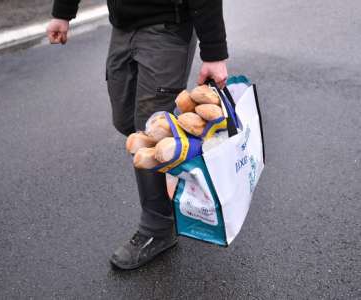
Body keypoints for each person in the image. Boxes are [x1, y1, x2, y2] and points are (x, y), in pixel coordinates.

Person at [47, 0, 228, 270]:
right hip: (122, 26)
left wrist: (214, 52)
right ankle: (175, 158)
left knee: (149, 132)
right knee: (126, 121)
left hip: (167, 28)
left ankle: (158, 227)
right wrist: (62, 13)